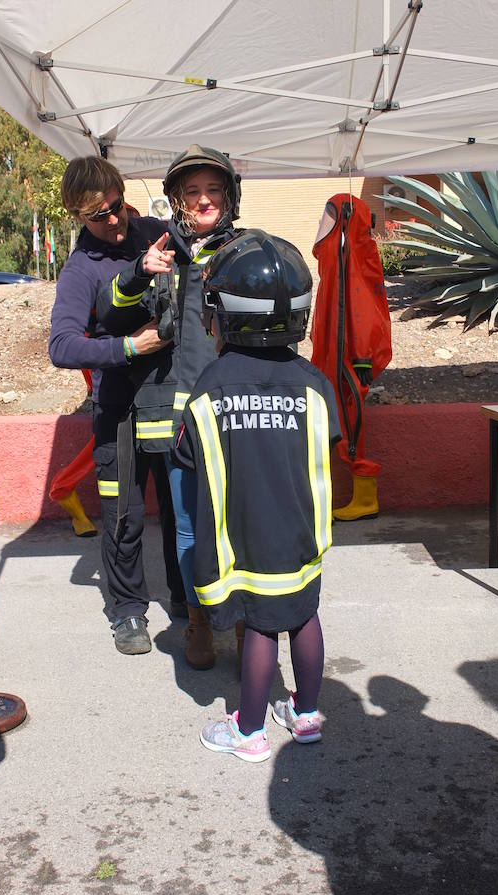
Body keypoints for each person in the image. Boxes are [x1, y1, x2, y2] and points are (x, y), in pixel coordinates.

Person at [173, 229, 342, 762]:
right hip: (302, 536)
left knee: (263, 627)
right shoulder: (315, 382)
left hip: (244, 538)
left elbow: (185, 456)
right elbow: (333, 447)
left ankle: (248, 731)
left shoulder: (210, 385)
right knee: (305, 616)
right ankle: (308, 714)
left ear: (220, 314)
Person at [96, 144, 243, 670]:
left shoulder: (243, 251)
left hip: (227, 412)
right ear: (177, 199)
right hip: (169, 415)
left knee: (232, 519)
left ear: (229, 196)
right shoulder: (159, 251)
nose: (203, 201)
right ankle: (198, 619)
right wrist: (139, 272)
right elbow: (107, 313)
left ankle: (243, 617)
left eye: (213, 190)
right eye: (192, 192)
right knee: (185, 523)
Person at [48, 156, 183, 656]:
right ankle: (128, 610)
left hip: (171, 396)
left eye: (116, 206)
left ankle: (188, 604)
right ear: (77, 217)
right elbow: (61, 346)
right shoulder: (81, 268)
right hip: (119, 407)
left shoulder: (153, 231)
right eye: (99, 215)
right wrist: (127, 348)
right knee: (124, 513)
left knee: (178, 507)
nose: (113, 219)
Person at [310, 194, 391, 520]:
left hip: (348, 358)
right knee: (338, 421)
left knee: (346, 425)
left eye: (327, 217)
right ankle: (354, 498)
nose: (320, 225)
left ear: (343, 220)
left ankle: (365, 499)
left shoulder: (351, 261)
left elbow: (360, 311)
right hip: (340, 353)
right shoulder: (344, 258)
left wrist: (360, 358)